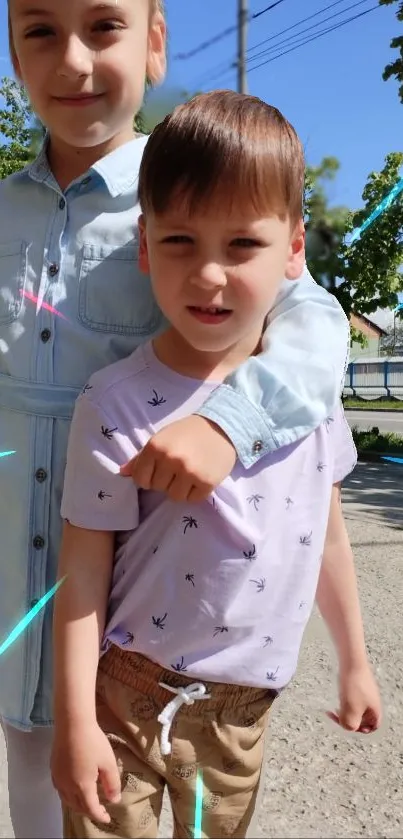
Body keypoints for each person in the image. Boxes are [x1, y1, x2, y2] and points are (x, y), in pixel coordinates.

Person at [0, 1, 348, 837]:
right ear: (11, 53)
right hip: (17, 583)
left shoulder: (197, 189)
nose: (73, 61)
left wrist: (230, 419)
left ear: (156, 44)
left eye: (105, 26)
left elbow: (315, 324)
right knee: (36, 794)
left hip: (130, 611)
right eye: (38, 31)